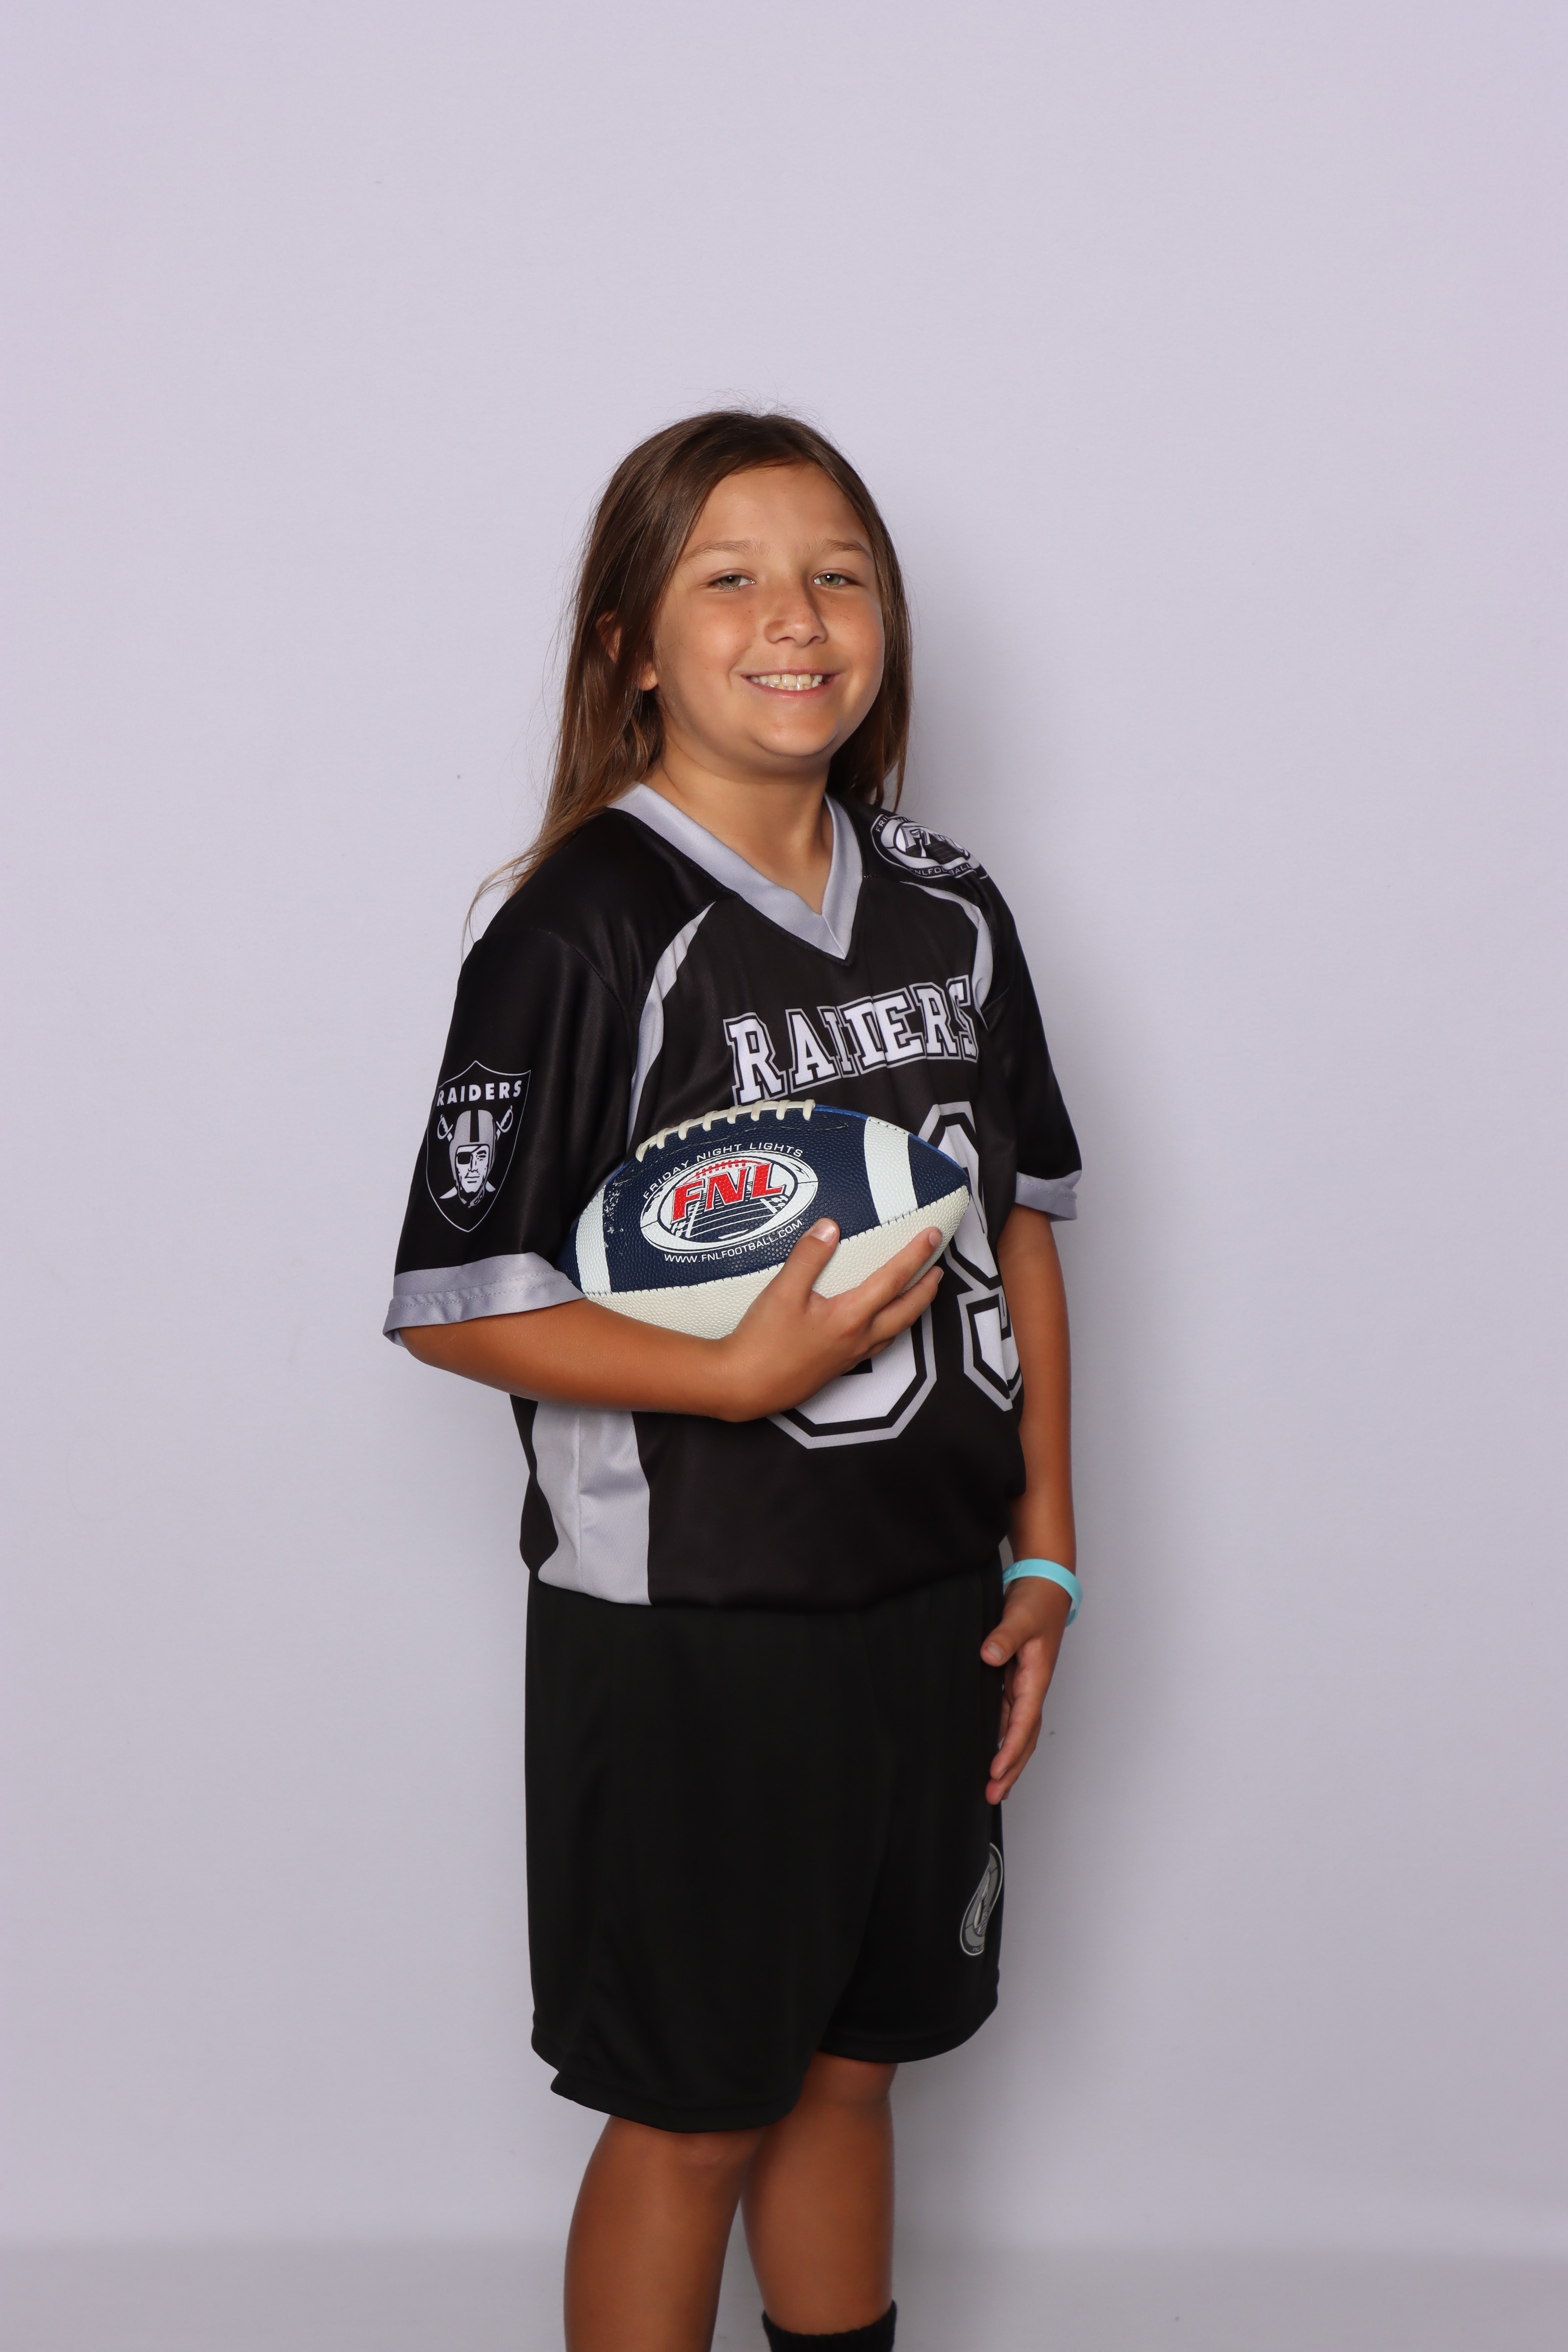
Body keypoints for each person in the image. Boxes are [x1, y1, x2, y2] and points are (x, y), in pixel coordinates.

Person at [385, 411, 1082, 2352]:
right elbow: (455, 1301)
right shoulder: (581, 927)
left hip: (930, 1605)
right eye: (732, 579)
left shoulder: (951, 902)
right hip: (692, 1627)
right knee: (697, 2109)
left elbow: (1017, 1227)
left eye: (838, 575)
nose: (796, 618)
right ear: (628, 645)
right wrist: (734, 1371)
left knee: (855, 2071)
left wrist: (1045, 1543)